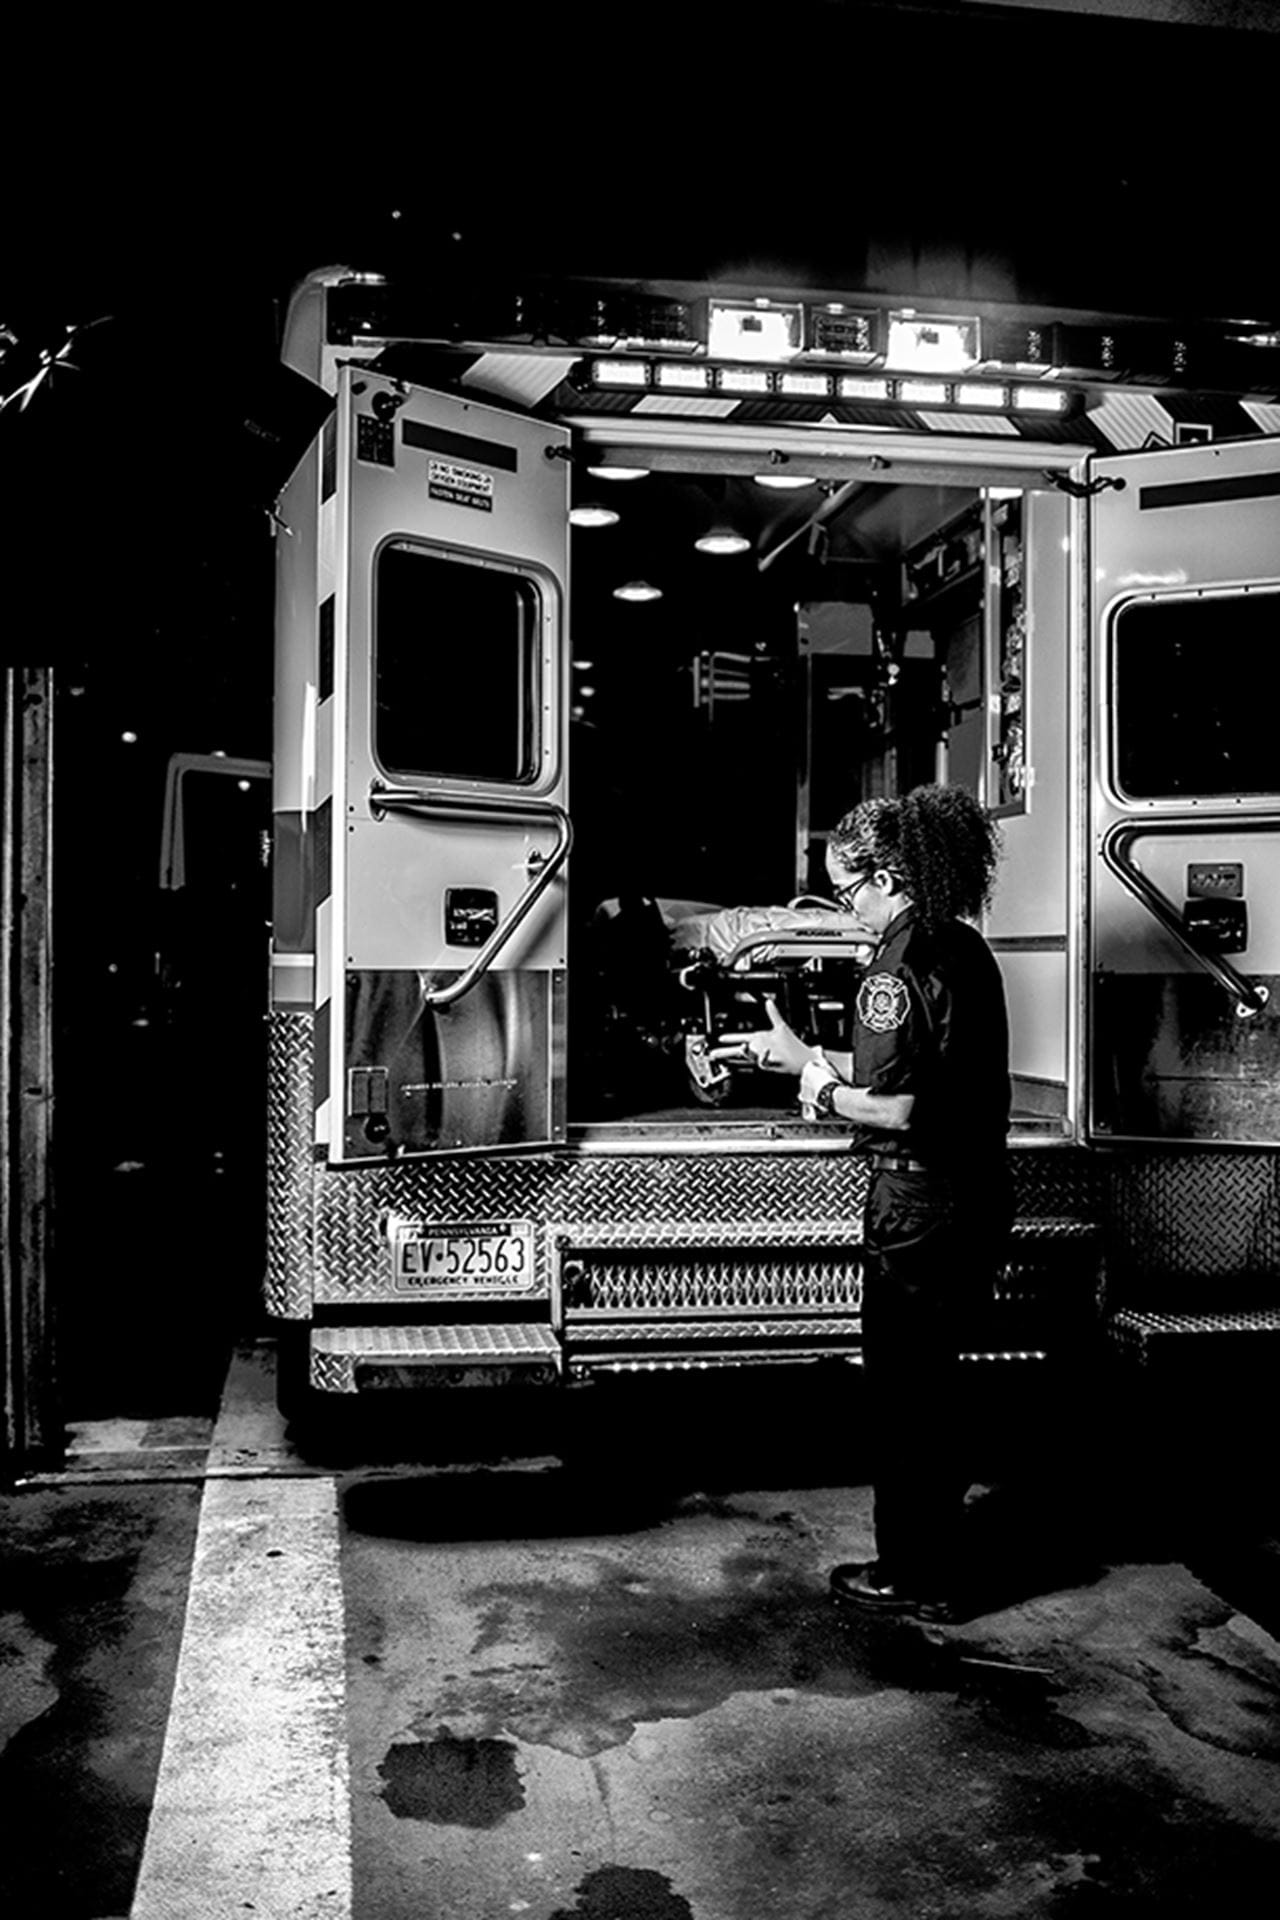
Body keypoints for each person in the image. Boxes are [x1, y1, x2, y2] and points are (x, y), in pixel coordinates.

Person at [713, 784, 1011, 1623]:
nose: (847, 912)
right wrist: (804, 1053)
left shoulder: (894, 966)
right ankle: (938, 1562)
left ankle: (915, 1575)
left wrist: (813, 1086)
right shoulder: (963, 946)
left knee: (905, 1397)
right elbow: (917, 1067)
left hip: (916, 1206)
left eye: (847, 892)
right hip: (975, 1194)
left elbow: (896, 1107)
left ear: (886, 876)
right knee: (937, 1389)